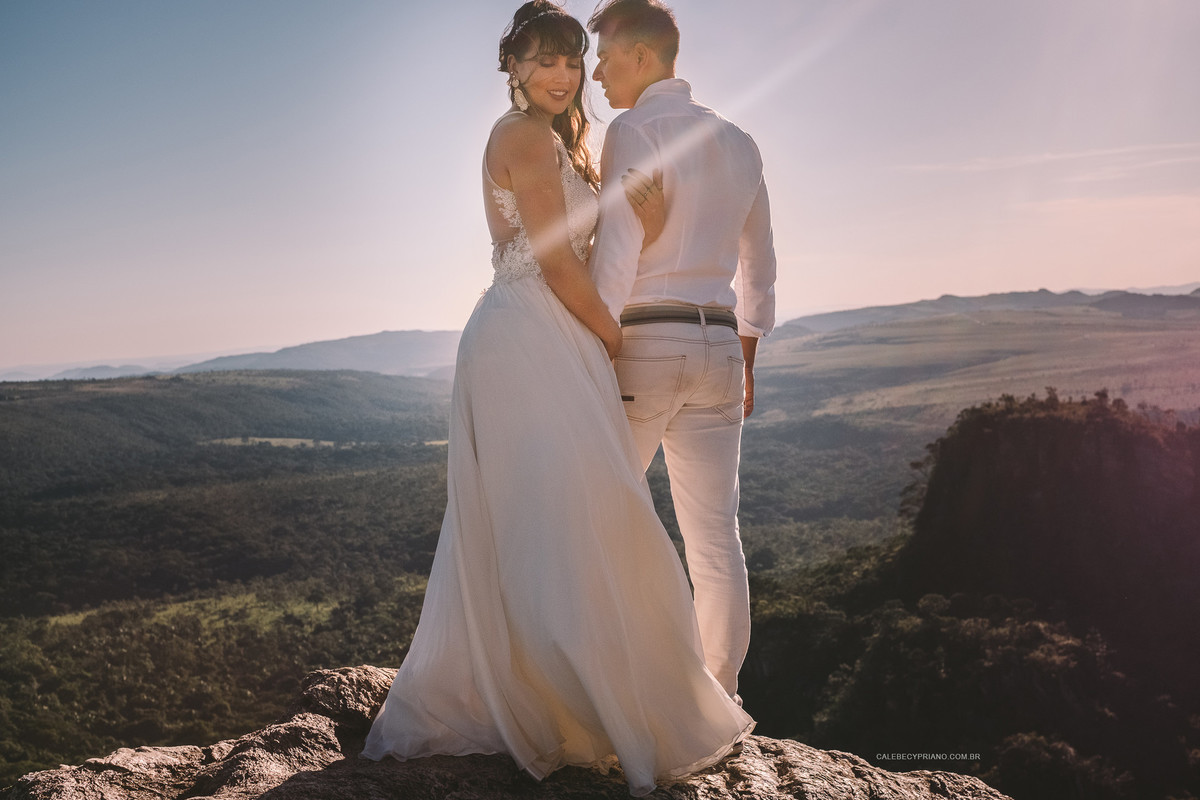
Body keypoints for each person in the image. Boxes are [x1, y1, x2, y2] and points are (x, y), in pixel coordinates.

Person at [360, 3, 752, 796]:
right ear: (512, 67)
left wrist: (632, 212)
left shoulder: (561, 140)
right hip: (530, 336)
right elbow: (556, 262)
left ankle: (570, 701)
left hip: (550, 332)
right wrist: (613, 339)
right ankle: (566, 705)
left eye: (572, 61)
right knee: (571, 516)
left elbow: (591, 239)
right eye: (543, 60)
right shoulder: (521, 136)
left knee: (568, 519)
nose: (561, 74)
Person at [586, 0, 778, 702]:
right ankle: (721, 698)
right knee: (716, 539)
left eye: (604, 56)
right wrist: (747, 360)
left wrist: (596, 353)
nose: (596, 72)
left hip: (647, 341)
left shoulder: (634, 130)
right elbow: (760, 270)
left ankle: (612, 692)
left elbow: (616, 255)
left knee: (598, 517)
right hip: (721, 345)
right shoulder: (740, 142)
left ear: (640, 56)